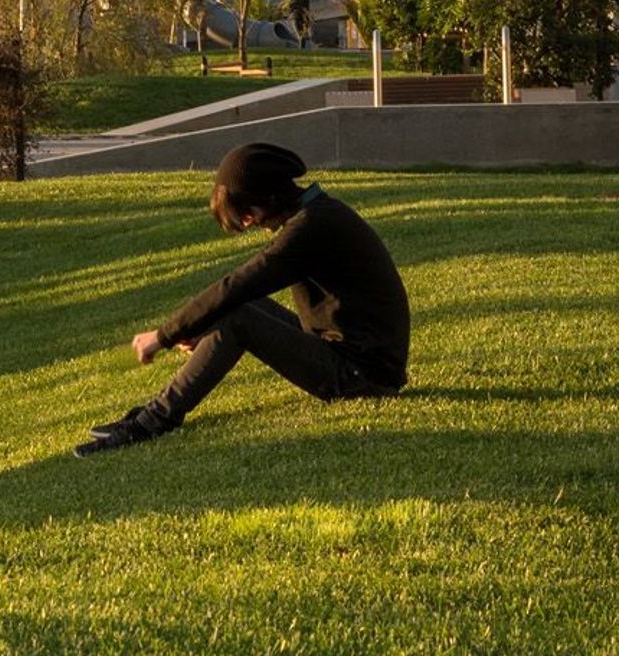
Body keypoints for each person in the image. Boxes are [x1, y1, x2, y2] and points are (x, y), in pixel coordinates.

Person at [78, 142, 408, 455]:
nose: (250, 224)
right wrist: (199, 326)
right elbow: (238, 294)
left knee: (238, 316)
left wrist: (164, 335)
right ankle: (148, 416)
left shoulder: (311, 228)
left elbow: (238, 284)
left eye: (248, 215)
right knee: (240, 310)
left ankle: (152, 422)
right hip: (351, 359)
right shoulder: (319, 215)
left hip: (362, 376)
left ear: (270, 197)